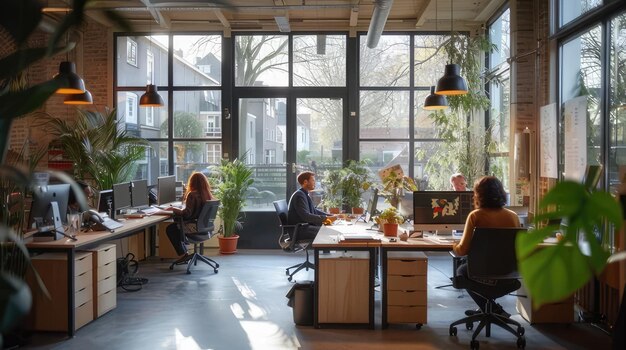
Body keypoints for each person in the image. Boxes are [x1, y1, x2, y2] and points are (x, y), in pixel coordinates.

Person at [453, 176, 520, 317]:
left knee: (461, 271)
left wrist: (454, 245)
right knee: (469, 268)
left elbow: (462, 251)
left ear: (478, 195)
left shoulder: (475, 216)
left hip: (481, 274)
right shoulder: (513, 216)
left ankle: (490, 308)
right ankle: (491, 309)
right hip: (508, 275)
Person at [165, 172, 215, 257]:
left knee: (171, 228)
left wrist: (174, 209)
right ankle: (185, 253)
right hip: (206, 228)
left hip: (195, 228)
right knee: (174, 227)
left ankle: (184, 254)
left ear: (192, 182)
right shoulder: (208, 195)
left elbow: (187, 214)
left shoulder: (192, 194)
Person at [288, 171, 332, 240]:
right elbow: (306, 216)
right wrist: (326, 218)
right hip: (300, 231)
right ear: (305, 182)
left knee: (329, 228)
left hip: (304, 228)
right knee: (329, 231)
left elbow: (314, 211)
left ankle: (325, 249)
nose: (314, 182)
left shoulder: (304, 194)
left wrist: (330, 216)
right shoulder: (299, 195)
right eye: (313, 180)